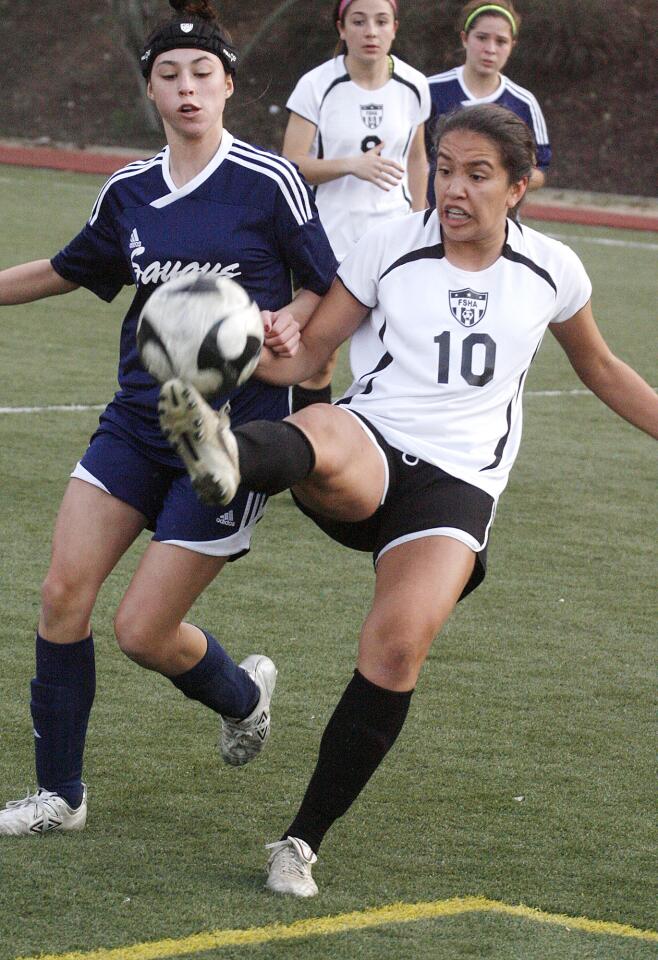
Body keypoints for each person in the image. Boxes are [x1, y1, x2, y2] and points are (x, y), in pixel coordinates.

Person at [158, 103, 658, 896]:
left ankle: (298, 842)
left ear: (520, 187)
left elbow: (600, 367)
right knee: (324, 423)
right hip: (374, 445)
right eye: (445, 169)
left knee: (396, 647)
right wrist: (246, 347)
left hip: (459, 486)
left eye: (477, 175)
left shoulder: (553, 270)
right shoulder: (390, 243)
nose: (453, 189)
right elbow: (311, 358)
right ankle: (224, 454)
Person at [0, 0, 337, 836]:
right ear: (152, 91)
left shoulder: (270, 181)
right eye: (169, 77)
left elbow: (322, 283)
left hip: (225, 442)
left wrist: (290, 317)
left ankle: (242, 694)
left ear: (228, 84)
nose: (187, 89)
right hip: (135, 419)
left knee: (142, 632)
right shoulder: (131, 190)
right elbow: (70, 268)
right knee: (61, 595)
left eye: (201, 74)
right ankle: (61, 796)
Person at [282, 0, 430, 411]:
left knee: (400, 356)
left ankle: (390, 457)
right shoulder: (317, 85)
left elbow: (418, 158)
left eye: (381, 21)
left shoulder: (415, 84)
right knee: (318, 361)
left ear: (395, 29)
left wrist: (421, 221)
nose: (371, 31)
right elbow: (289, 165)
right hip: (330, 242)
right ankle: (306, 459)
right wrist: (350, 165)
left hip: (393, 241)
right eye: (359, 21)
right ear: (341, 29)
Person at [425, 0, 550, 207]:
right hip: (435, 220)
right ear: (465, 38)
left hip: (495, 231)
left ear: (512, 46)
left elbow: (539, 171)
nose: (490, 49)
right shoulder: (429, 91)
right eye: (482, 38)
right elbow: (412, 159)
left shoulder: (523, 103)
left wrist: (500, 174)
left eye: (501, 41)